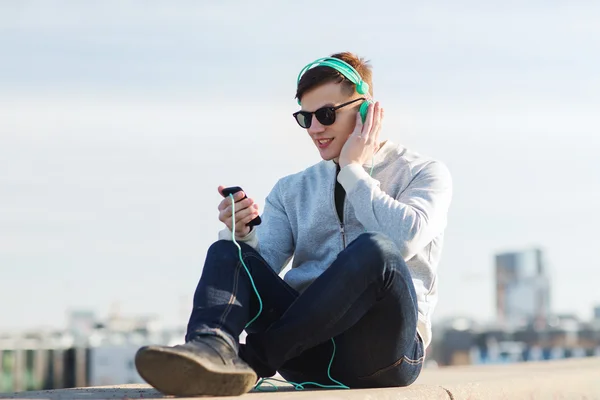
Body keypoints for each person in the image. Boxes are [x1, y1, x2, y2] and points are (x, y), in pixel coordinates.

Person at [134, 52, 453, 397]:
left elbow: (404, 239)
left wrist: (353, 171)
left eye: (327, 115)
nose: (315, 129)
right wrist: (243, 235)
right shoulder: (291, 190)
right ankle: (210, 349)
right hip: (303, 350)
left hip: (382, 354)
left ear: (365, 111)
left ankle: (250, 362)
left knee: (377, 250)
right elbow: (260, 272)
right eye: (306, 118)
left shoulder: (424, 172)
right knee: (229, 251)